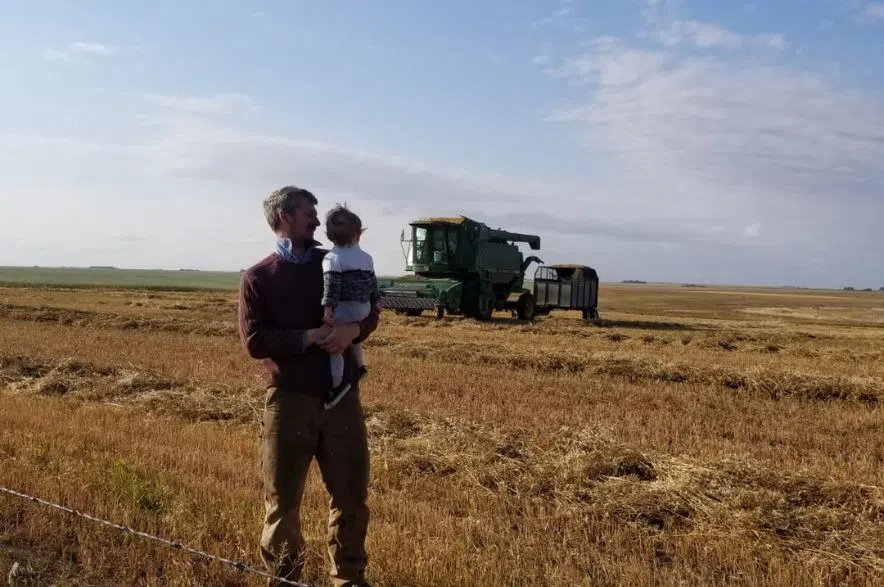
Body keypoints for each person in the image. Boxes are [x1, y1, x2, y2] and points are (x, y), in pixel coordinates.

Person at [237, 185, 378, 587]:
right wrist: (311, 336)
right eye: (308, 214)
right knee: (282, 505)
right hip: (289, 401)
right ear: (284, 217)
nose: (318, 222)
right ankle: (285, 580)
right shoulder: (257, 277)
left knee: (351, 495)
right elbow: (255, 341)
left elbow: (371, 311)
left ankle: (349, 579)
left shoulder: (334, 261)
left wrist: (352, 330)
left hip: (342, 399)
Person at [320, 203, 380, 410]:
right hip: (363, 308)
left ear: (329, 236)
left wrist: (328, 308)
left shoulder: (332, 258)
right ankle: (360, 367)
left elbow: (332, 286)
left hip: (345, 308)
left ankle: (337, 386)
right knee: (354, 339)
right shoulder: (366, 258)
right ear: (358, 235)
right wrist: (375, 302)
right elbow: (373, 284)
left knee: (335, 345)